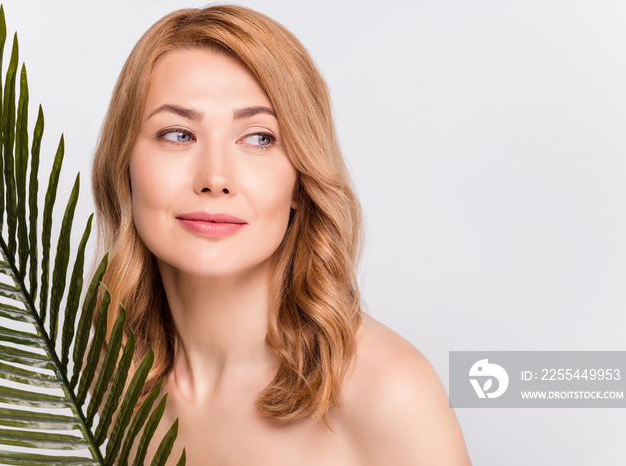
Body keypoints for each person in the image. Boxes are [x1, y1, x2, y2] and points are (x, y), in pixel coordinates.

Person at [91, 5, 471, 465]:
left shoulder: (390, 392)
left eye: (259, 138)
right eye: (177, 134)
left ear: (299, 181)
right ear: (124, 165)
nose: (215, 178)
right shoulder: (100, 377)